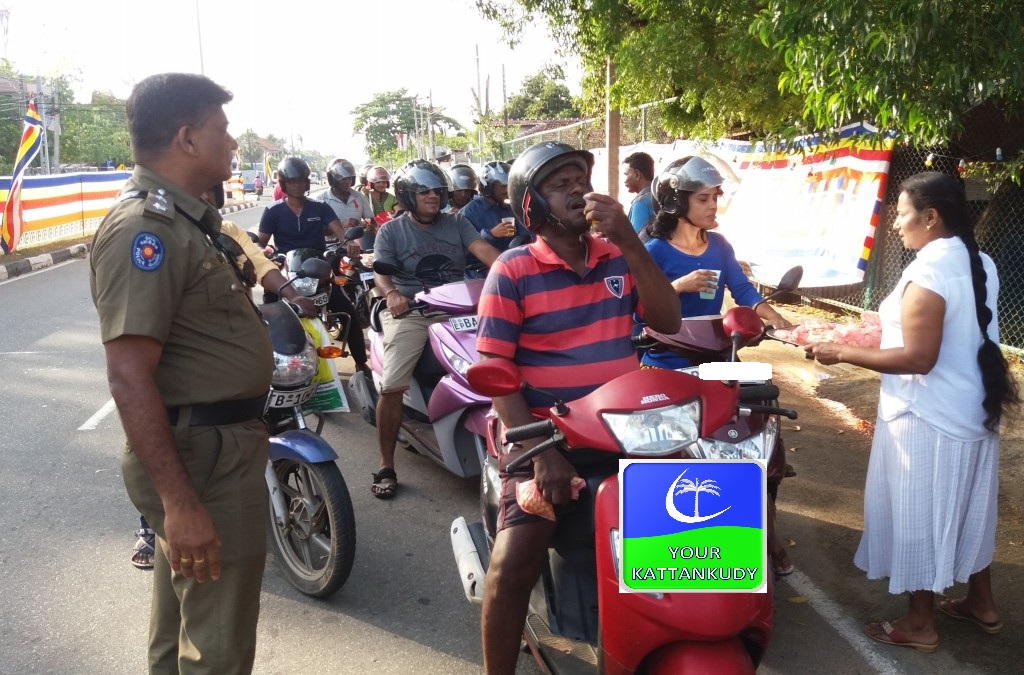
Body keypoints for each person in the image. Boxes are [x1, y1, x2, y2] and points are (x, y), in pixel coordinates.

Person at [475, 141, 680, 674]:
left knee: (679, 542)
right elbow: (497, 372)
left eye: (580, 179)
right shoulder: (513, 270)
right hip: (543, 439)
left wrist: (632, 240)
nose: (577, 189)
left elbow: (668, 319)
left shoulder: (619, 256)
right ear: (531, 205)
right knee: (512, 565)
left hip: (623, 434)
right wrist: (538, 449)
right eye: (559, 183)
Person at [90, 72, 272, 673]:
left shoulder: (187, 222)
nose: (234, 143)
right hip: (203, 459)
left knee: (181, 632)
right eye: (224, 130)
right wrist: (179, 501)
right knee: (216, 649)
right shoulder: (149, 229)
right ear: (189, 139)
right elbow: (128, 376)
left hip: (208, 449)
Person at [805, 171, 1019, 653]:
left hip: (929, 415)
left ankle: (920, 622)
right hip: (972, 407)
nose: (897, 224)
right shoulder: (977, 259)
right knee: (968, 507)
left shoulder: (929, 270)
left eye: (902, 214)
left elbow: (918, 358)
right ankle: (981, 603)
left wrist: (841, 354)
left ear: (931, 216)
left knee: (922, 515)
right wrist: (863, 335)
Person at [641, 154, 794, 577]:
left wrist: (779, 322)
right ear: (676, 202)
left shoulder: (721, 246)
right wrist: (677, 286)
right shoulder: (652, 250)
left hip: (720, 358)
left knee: (764, 411)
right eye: (704, 198)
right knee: (665, 445)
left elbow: (743, 291)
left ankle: (769, 525)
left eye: (715, 198)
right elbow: (639, 311)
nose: (713, 206)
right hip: (664, 360)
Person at [370, 159, 500, 498]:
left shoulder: (456, 223)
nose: (433, 196)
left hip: (459, 308)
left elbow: (486, 252)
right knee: (393, 385)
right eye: (424, 191)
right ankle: (386, 464)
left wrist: (514, 272)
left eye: (437, 190)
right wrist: (393, 294)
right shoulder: (392, 231)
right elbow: (381, 276)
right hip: (413, 312)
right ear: (408, 195)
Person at [259, 157, 370, 374]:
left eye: (302, 180)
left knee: (348, 313)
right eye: (292, 181)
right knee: (267, 312)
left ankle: (360, 362)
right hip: (286, 274)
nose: (298, 185)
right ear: (283, 184)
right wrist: (264, 252)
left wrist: (350, 244)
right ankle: (266, 363)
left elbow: (340, 232)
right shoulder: (272, 211)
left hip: (319, 272)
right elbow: (260, 243)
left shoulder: (320, 208)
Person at [460, 160, 530, 252]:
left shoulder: (513, 206)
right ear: (489, 186)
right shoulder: (470, 212)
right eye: (504, 186)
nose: (508, 190)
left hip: (515, 259)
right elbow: (463, 246)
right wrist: (491, 234)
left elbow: (527, 235)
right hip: (482, 265)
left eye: (510, 185)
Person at [318, 157, 375, 250]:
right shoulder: (321, 199)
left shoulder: (359, 197)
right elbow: (318, 230)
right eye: (343, 179)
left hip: (358, 247)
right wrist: (342, 224)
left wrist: (369, 226)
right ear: (333, 180)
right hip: (333, 249)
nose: (348, 182)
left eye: (350, 178)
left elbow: (371, 220)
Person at [622, 151, 655, 233]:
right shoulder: (660, 196)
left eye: (626, 174)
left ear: (637, 174)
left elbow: (635, 241)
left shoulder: (640, 204)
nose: (624, 180)